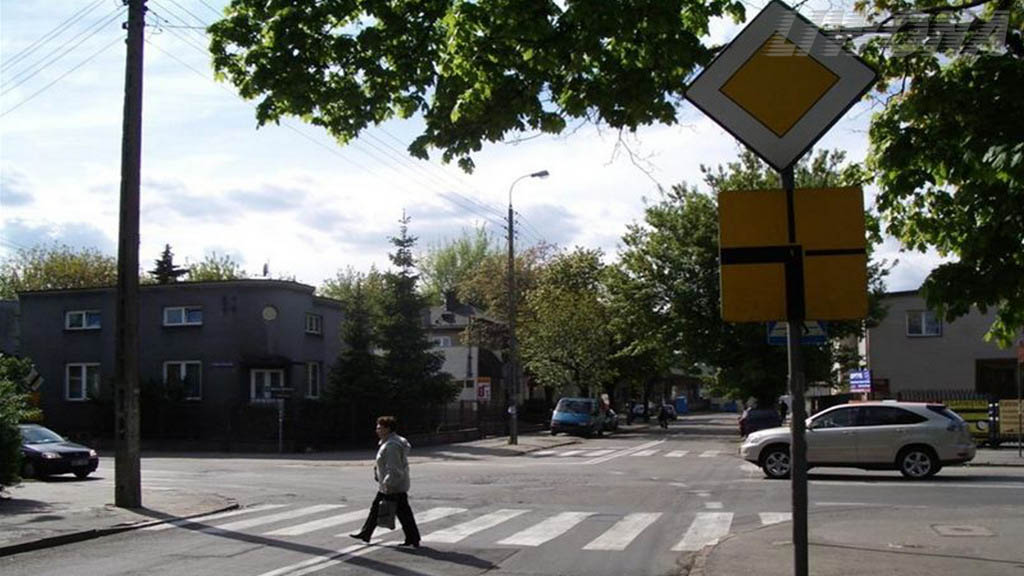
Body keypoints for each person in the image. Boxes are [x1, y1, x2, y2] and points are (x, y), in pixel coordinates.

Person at [349, 416, 421, 548]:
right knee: (380, 508)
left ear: (387, 429)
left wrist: (388, 483)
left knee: (401, 512)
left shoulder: (392, 445)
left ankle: (413, 538)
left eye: (379, 428)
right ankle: (366, 533)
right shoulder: (391, 442)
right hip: (392, 484)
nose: (377, 430)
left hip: (392, 485)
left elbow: (393, 467)